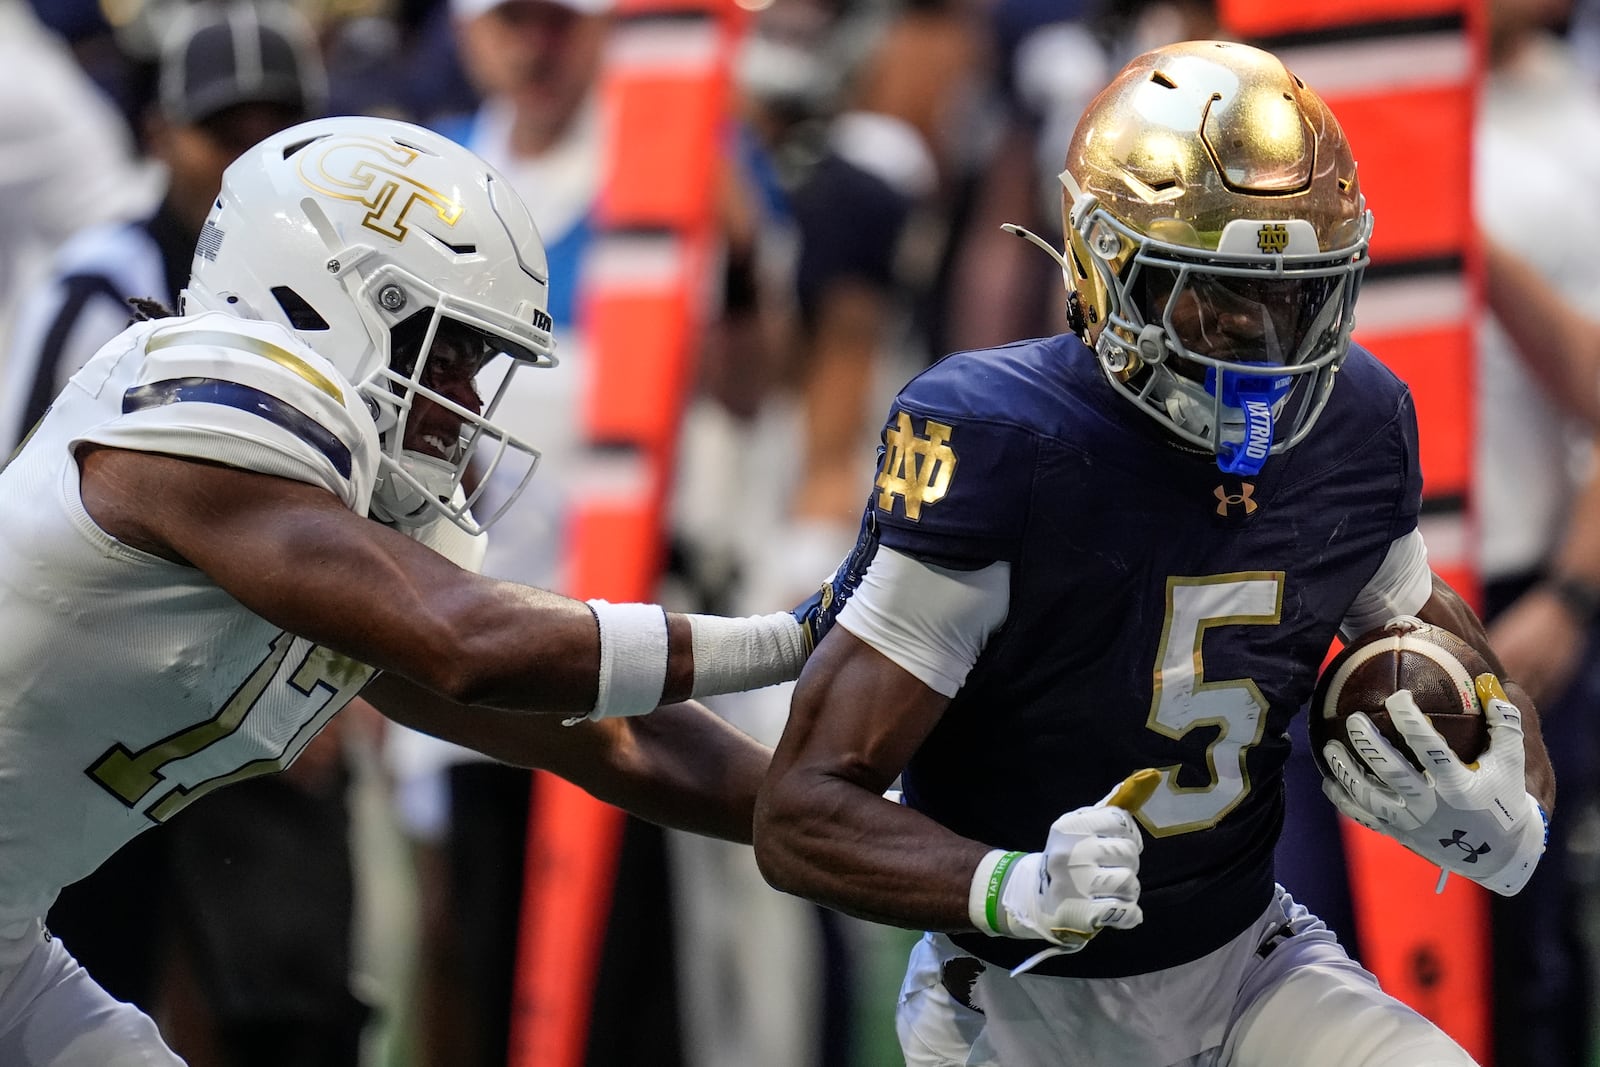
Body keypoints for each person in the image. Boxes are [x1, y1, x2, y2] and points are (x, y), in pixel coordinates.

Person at [752, 40, 1556, 1067]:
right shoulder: (1005, 445)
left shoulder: (1353, 418)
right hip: (1017, 999)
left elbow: (1459, 667)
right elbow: (802, 809)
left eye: (1294, 296)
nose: (1264, 343)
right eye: (1217, 297)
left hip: (1246, 962)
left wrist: (1506, 801)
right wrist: (1014, 883)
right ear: (1103, 263)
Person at [0, 112, 826, 1067]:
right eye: (451, 353)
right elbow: (467, 643)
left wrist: (960, 864)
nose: (468, 406)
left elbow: (617, 740)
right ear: (327, 302)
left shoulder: (325, 534)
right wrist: (797, 635)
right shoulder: (196, 416)